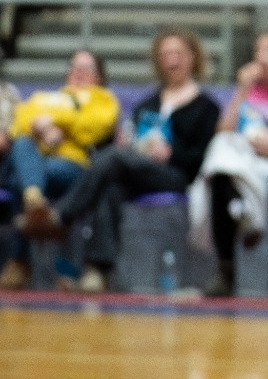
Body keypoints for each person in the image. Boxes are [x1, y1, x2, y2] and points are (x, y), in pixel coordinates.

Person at [34, 31, 219, 294]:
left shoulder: (206, 106)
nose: (172, 61)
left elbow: (202, 158)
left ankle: (62, 215)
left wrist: (171, 153)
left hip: (176, 175)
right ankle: (97, 270)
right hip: (135, 170)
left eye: (178, 53)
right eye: (166, 54)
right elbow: (131, 137)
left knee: (111, 157)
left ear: (192, 58)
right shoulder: (147, 103)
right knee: (111, 184)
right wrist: (130, 145)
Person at [197, 32, 268, 298]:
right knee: (221, 165)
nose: (262, 57)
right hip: (243, 164)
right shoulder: (248, 93)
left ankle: (248, 216)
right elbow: (223, 133)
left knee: (223, 175)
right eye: (258, 51)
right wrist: (241, 91)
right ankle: (230, 259)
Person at [3, 49, 117, 287]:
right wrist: (39, 127)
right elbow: (18, 124)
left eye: (87, 68)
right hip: (34, 160)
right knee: (23, 146)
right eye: (74, 67)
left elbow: (94, 127)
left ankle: (19, 262)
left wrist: (52, 122)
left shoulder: (102, 99)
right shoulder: (43, 96)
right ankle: (34, 199)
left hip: (73, 166)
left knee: (23, 178)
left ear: (99, 77)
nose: (79, 73)